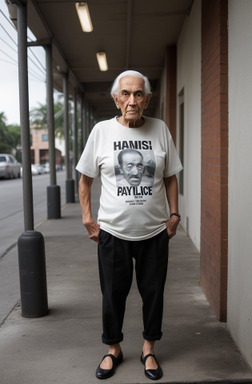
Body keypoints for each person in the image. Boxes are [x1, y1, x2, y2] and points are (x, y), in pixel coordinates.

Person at [76, 70, 183, 380]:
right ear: (116, 98)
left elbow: (170, 176)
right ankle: (114, 349)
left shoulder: (160, 129)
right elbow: (85, 179)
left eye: (138, 94)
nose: (132, 100)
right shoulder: (101, 132)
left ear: (147, 99)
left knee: (154, 292)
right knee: (112, 294)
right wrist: (87, 218)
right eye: (126, 94)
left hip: (153, 233)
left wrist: (174, 215)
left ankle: (149, 348)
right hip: (112, 232)